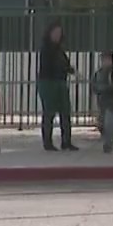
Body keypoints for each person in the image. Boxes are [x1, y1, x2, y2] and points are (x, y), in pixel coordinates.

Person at [36, 21, 76, 151]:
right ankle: (47, 142)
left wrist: (69, 69)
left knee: (65, 112)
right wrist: (64, 68)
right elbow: (50, 66)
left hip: (60, 82)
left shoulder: (60, 49)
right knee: (49, 113)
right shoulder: (46, 49)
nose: (57, 35)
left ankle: (66, 141)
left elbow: (64, 64)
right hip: (49, 83)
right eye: (55, 32)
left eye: (59, 33)